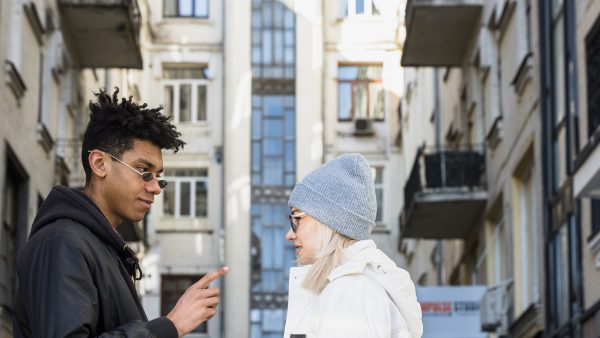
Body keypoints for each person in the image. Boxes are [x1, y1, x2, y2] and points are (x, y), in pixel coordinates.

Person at [13, 88, 228, 338]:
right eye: (144, 171)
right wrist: (170, 326)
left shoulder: (102, 248)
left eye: (159, 177)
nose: (156, 187)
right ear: (100, 163)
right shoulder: (63, 242)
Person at [283, 153, 423, 338]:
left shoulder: (351, 290)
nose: (289, 235)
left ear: (328, 221)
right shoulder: (351, 287)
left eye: (296, 219)